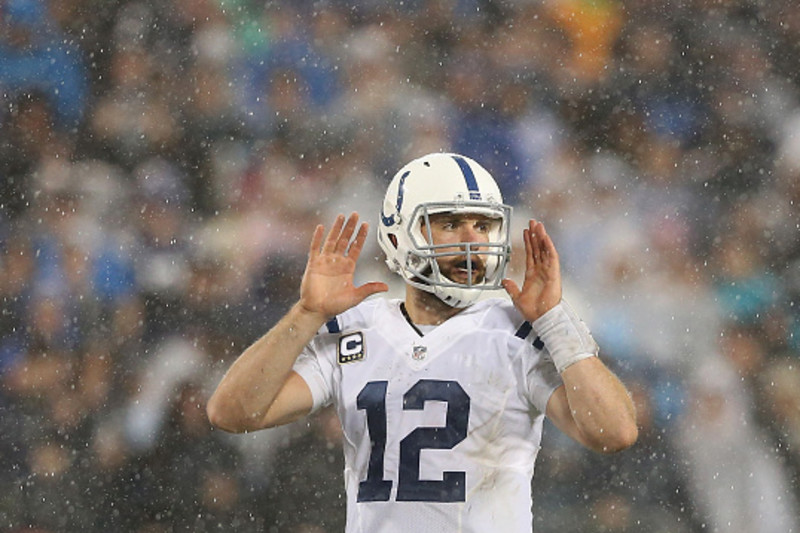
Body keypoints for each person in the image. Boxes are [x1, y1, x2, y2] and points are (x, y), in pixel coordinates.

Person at [207, 153, 638, 532]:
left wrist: (554, 318)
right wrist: (306, 314)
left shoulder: (517, 332)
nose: (472, 240)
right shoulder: (357, 328)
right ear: (399, 236)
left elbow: (614, 432)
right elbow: (233, 412)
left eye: (483, 225)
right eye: (450, 224)